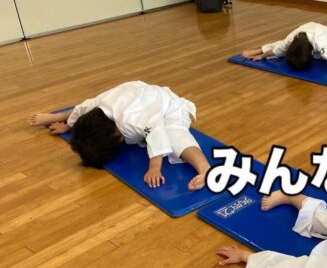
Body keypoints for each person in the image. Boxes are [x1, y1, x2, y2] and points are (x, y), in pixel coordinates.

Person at [27, 81, 210, 191]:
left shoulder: (134, 121)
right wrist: (67, 125)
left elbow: (156, 132)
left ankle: (205, 169)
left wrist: (154, 167)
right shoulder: (95, 108)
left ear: (115, 135)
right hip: (137, 95)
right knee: (83, 114)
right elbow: (80, 110)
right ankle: (56, 116)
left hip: (167, 106)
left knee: (174, 134)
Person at [241, 22, 327, 78]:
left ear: (312, 53)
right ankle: (259, 50)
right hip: (307, 39)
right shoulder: (292, 39)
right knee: (282, 45)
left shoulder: (321, 41)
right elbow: (277, 51)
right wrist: (261, 56)